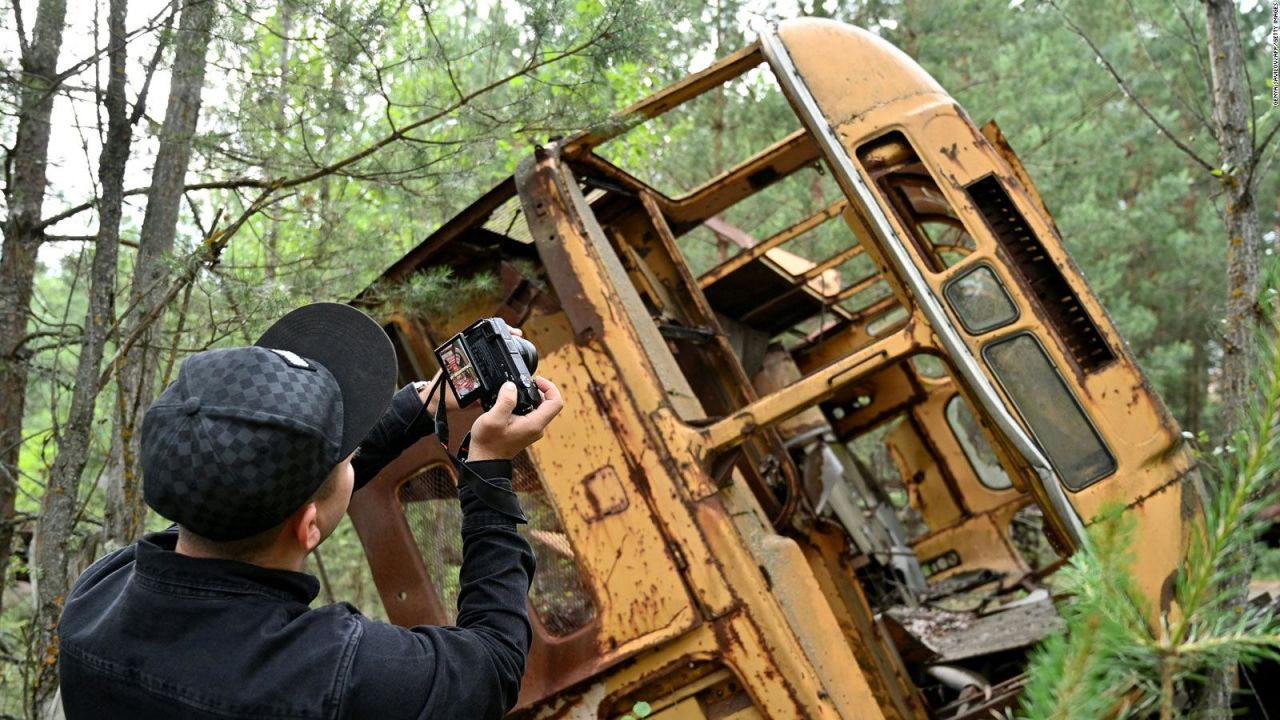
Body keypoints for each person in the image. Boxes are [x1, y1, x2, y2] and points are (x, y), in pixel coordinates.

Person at [56, 303, 564, 719]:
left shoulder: (96, 598)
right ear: (309, 526)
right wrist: (487, 465)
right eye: (346, 456)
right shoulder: (335, 679)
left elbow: (254, 491)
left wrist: (424, 402)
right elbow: (493, 666)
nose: (352, 454)